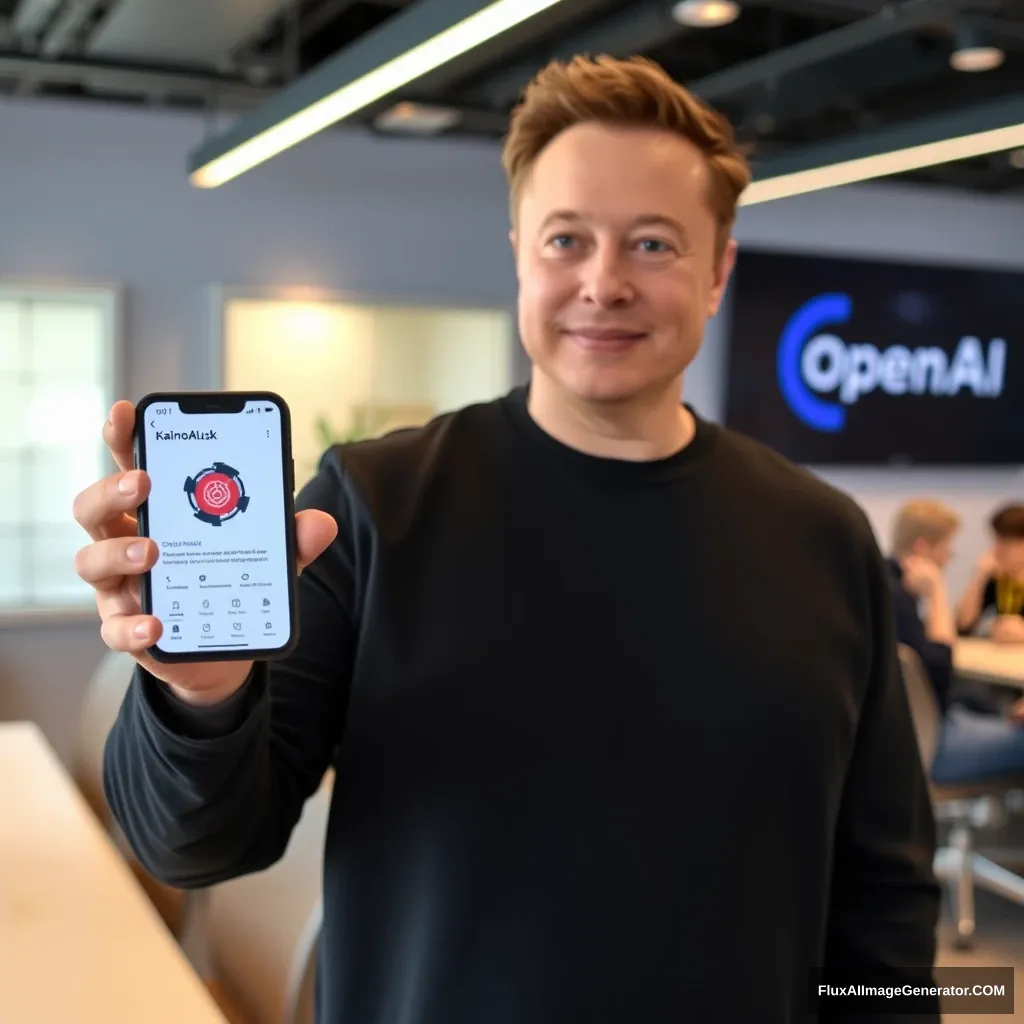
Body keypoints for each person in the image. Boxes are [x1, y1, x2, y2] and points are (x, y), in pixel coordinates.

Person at [73, 56, 939, 1022]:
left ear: (717, 271)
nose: (603, 284)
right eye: (568, 239)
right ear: (521, 251)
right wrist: (201, 695)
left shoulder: (824, 541)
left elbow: (885, 905)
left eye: (653, 244)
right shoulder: (371, 504)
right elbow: (195, 845)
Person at [886, 499, 1024, 783]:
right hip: (930, 741)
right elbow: (940, 671)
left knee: (985, 704)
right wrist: (939, 590)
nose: (950, 557)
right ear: (923, 547)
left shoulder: (881, 585)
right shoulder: (898, 600)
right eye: (947, 548)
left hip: (906, 740)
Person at [958, 503, 1024, 644]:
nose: (997, 550)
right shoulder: (997, 578)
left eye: (1006, 543)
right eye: (996, 541)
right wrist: (979, 577)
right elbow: (963, 625)